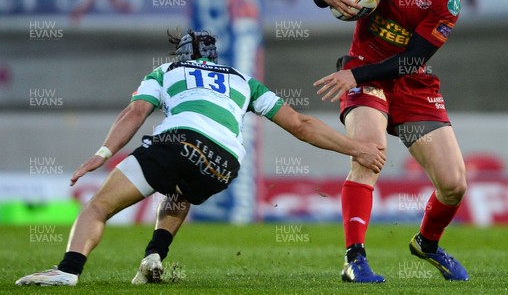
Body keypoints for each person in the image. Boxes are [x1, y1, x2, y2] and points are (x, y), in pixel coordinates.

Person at [16, 29, 386, 286]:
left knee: (98, 207)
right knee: (180, 188)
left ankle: (67, 270)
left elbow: (134, 113)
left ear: (182, 55)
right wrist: (359, 148)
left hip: (179, 139)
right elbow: (302, 124)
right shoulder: (243, 79)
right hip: (225, 162)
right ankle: (155, 256)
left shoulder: (166, 71)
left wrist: (102, 153)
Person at [311, 0, 469, 283]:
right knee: (369, 154)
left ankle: (427, 244)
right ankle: (355, 260)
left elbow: (412, 60)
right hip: (367, 78)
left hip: (410, 84)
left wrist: (353, 74)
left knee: (454, 184)